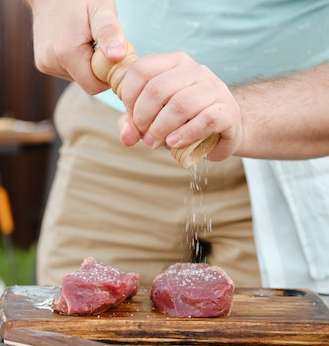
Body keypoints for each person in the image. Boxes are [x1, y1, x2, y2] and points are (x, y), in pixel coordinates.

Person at [25, 0, 329, 292]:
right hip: (115, 135)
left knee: (277, 337)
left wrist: (241, 117)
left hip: (288, 137)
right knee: (72, 337)